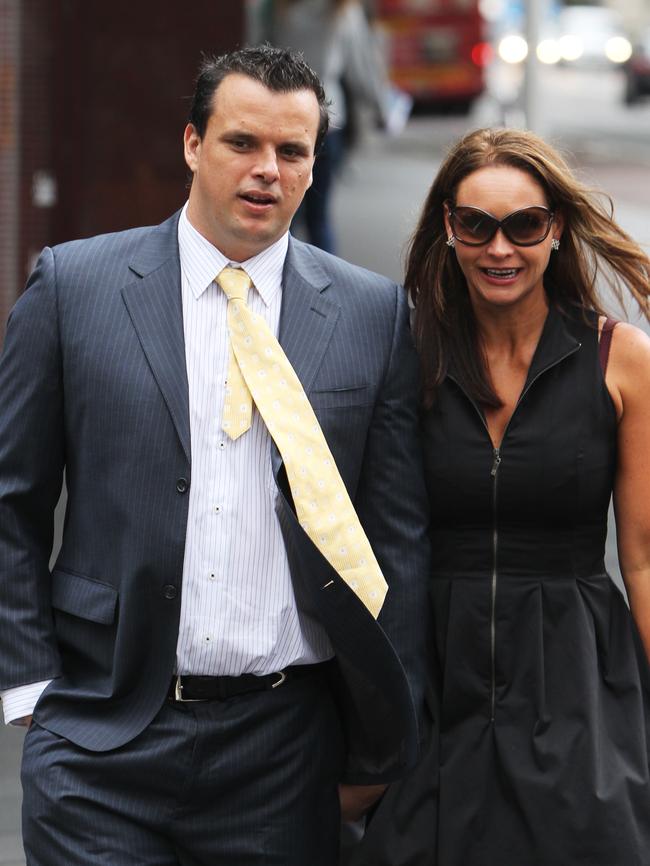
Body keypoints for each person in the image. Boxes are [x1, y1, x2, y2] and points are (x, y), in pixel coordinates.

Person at [0, 45, 430, 866]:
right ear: (193, 144)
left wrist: (381, 737)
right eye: (242, 143)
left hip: (283, 747)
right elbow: (11, 497)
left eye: (292, 151)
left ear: (312, 165)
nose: (267, 170)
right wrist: (29, 688)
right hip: (101, 734)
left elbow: (395, 539)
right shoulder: (73, 287)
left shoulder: (374, 315)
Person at [350, 127, 650, 865]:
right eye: (475, 225)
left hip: (577, 673)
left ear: (556, 229)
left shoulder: (622, 359)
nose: (500, 248)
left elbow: (643, 557)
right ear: (448, 229)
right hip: (432, 672)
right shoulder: (408, 353)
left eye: (525, 224)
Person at [260, 0, 393, 253]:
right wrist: (381, 108)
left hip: (282, 118)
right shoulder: (342, 9)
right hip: (326, 119)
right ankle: (326, 287)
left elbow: (257, 54)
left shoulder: (278, 7)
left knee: (283, 214)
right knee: (319, 218)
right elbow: (361, 66)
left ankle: (275, 282)